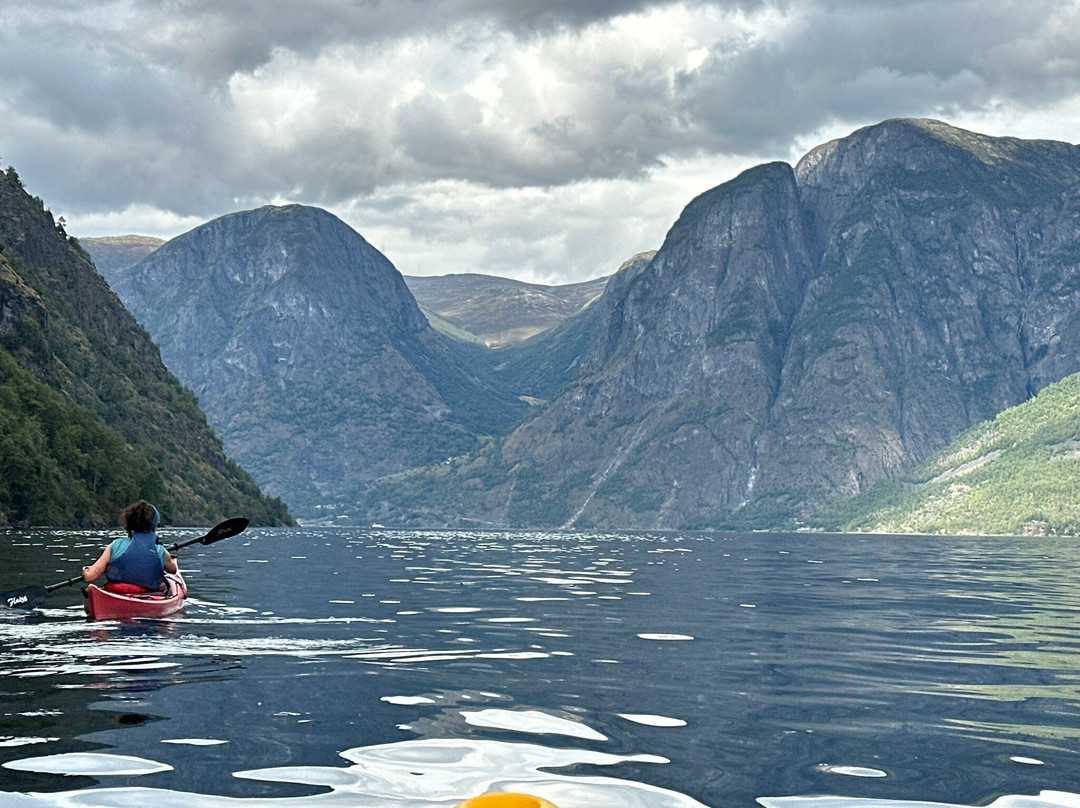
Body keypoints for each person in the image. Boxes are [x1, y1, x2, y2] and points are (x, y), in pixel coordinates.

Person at [82, 501, 177, 592]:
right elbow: (173, 570)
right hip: (146, 594)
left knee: (88, 593)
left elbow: (90, 576)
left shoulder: (115, 545)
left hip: (117, 592)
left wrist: (86, 570)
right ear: (154, 526)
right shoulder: (161, 551)